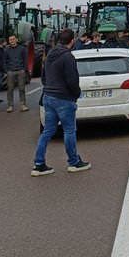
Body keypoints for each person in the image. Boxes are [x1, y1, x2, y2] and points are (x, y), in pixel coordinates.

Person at [32, 28, 90, 175]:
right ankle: (74, 162)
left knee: (47, 131)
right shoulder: (68, 57)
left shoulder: (50, 54)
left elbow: (43, 77)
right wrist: (76, 94)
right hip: (64, 98)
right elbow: (72, 80)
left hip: (48, 96)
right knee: (69, 130)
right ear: (72, 40)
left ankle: (38, 164)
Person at [1, 34, 30, 112]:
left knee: (22, 88)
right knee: (10, 89)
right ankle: (10, 106)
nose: (12, 41)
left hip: (20, 70)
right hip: (10, 71)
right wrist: (7, 71)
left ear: (16, 40)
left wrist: (24, 69)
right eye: (10, 40)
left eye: (13, 39)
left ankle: (23, 105)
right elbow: (4, 61)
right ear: (8, 41)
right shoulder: (6, 50)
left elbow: (25, 59)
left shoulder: (22, 49)